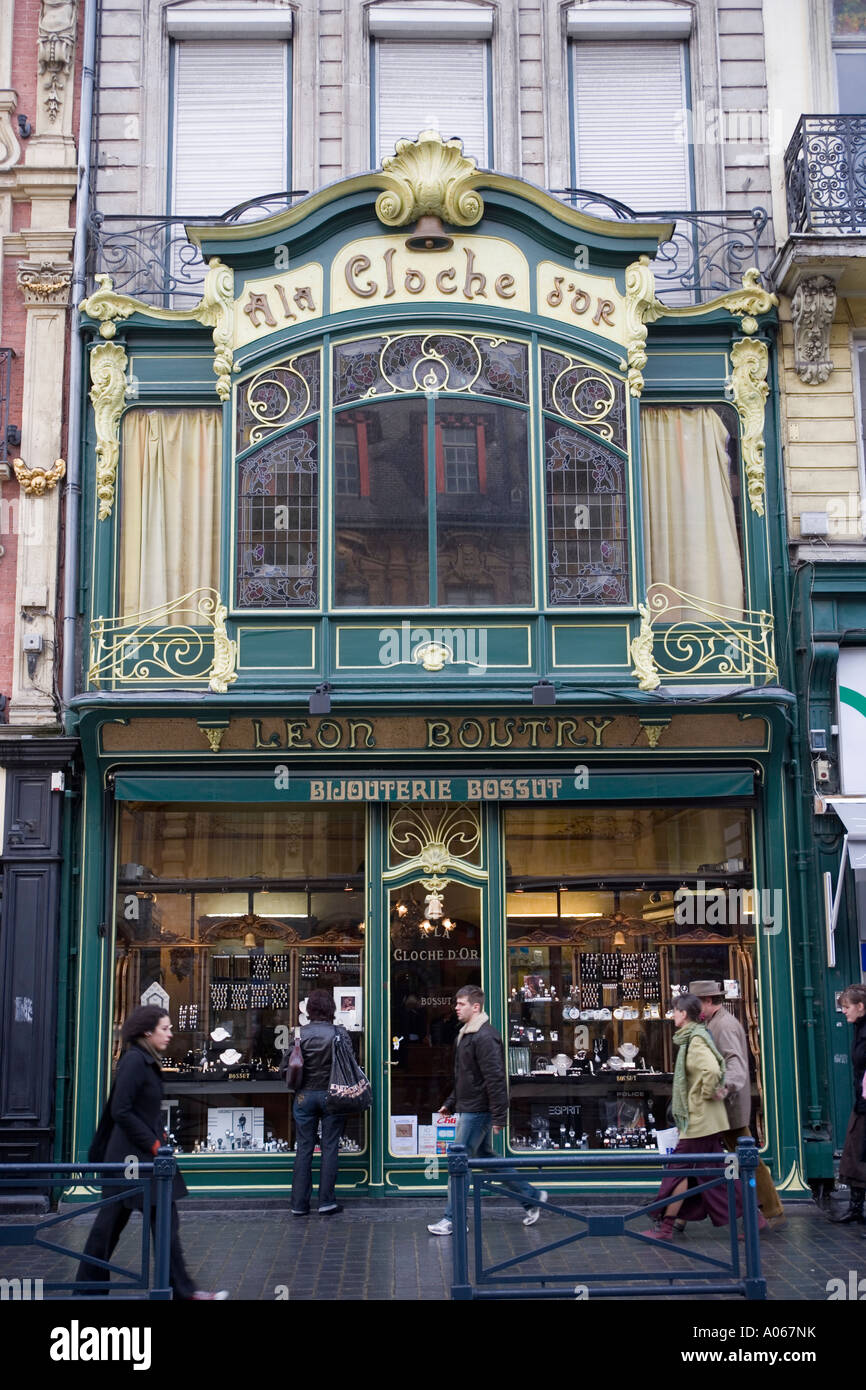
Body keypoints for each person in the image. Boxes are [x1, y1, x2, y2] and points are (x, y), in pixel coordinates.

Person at [76, 1005, 228, 1298]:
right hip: (132, 1160)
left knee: (158, 1225)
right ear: (148, 1031)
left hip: (138, 1158)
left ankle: (179, 1291)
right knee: (109, 1229)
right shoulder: (135, 1061)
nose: (171, 1034)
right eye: (165, 1028)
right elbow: (121, 1110)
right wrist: (154, 1143)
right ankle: (88, 1291)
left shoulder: (143, 1060)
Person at [427, 984, 547, 1236]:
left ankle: (454, 1219)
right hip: (471, 1107)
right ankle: (532, 1196)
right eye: (456, 1003)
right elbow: (467, 1076)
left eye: (461, 1004)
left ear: (476, 1007)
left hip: (477, 1111)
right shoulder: (468, 1034)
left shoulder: (484, 1036)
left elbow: (495, 1078)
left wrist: (499, 1115)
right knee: (486, 1158)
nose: (456, 1008)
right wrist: (450, 1102)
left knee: (458, 1162)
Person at [644, 992, 754, 1240]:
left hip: (700, 1121)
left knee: (678, 1170)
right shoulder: (693, 1037)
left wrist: (708, 1092)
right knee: (714, 1171)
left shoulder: (695, 1041)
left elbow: (713, 1069)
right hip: (704, 1120)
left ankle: (666, 1227)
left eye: (674, 1011)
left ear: (684, 1014)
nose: (673, 1015)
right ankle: (751, 1220)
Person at [688, 978, 785, 1230]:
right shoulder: (715, 1022)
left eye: (695, 1003)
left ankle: (769, 1209)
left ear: (708, 1001)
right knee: (712, 1156)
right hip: (721, 1106)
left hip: (724, 1106)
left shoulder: (724, 1026)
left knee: (741, 1156)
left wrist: (724, 1088)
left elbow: (736, 1064)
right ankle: (679, 1216)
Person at [289, 988, 345, 1216]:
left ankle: (299, 1205)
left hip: (304, 1095)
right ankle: (326, 1202)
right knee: (330, 1146)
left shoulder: (299, 1033)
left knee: (304, 1148)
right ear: (331, 1009)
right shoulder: (338, 1033)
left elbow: (287, 1065)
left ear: (309, 1010)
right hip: (332, 1095)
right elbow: (349, 1064)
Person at [831, 983, 866, 1225]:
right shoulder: (859, 1029)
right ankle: (856, 1207)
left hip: (865, 1102)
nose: (844, 1011)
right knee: (854, 1153)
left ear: (860, 1007)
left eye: (846, 1007)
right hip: (861, 1102)